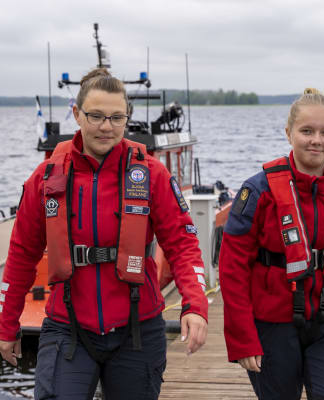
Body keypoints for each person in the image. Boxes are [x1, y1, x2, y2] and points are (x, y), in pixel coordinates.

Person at [0, 68, 208, 400]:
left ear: (127, 118)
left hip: (137, 329)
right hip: (67, 326)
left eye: (116, 117)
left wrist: (194, 306)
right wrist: (7, 323)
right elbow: (22, 254)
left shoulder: (151, 174)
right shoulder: (46, 177)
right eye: (95, 116)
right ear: (77, 114)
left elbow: (182, 246)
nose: (106, 127)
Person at [219, 88, 324, 400]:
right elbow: (232, 269)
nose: (316, 140)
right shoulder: (258, 193)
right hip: (273, 324)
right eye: (306, 131)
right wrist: (243, 338)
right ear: (288, 132)